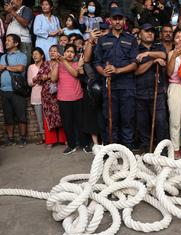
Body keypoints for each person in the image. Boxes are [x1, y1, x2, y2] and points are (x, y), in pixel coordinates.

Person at [94, 7, 139, 148]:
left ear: (124, 20)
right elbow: (97, 63)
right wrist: (103, 72)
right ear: (110, 21)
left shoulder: (131, 40)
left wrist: (118, 70)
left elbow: (134, 64)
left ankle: (127, 151)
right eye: (115, 19)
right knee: (111, 120)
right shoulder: (102, 40)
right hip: (109, 86)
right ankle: (112, 151)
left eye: (120, 19)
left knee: (126, 120)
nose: (118, 21)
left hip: (126, 86)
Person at [135, 23, 169, 153]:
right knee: (142, 123)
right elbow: (136, 72)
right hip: (140, 92)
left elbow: (164, 56)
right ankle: (148, 150)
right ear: (140, 34)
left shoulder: (158, 47)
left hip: (157, 92)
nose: (150, 33)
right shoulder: (136, 49)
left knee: (161, 121)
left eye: (152, 31)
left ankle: (162, 151)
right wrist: (152, 61)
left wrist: (148, 53)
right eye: (146, 31)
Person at [54, 44, 91, 155]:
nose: (69, 54)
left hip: (77, 98)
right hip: (63, 99)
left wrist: (63, 61)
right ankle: (71, 145)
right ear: (63, 52)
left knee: (81, 122)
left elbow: (75, 74)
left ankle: (85, 144)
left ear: (75, 54)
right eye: (67, 51)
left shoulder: (77, 64)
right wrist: (57, 63)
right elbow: (53, 78)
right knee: (68, 123)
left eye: (72, 52)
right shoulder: (58, 65)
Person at [35, 45, 67, 150]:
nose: (52, 53)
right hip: (47, 94)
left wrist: (47, 76)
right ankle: (50, 141)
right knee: (48, 116)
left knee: (62, 115)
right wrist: (50, 76)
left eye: (55, 51)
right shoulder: (44, 64)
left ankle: (64, 139)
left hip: (61, 92)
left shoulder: (63, 63)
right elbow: (38, 77)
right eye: (50, 51)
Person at [0, 34, 28, 148]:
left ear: (16, 43)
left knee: (21, 115)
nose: (6, 42)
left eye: (8, 40)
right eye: (5, 40)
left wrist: (5, 67)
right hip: (4, 90)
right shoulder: (3, 56)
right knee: (8, 116)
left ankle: (23, 138)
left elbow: (20, 68)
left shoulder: (22, 56)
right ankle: (10, 139)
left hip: (17, 90)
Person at [167, 29, 181, 159]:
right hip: (175, 86)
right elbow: (169, 73)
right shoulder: (170, 54)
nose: (180, 39)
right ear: (174, 40)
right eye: (177, 37)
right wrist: (174, 56)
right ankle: (175, 148)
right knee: (175, 119)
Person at [4, 0, 34, 65]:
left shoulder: (26, 9)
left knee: (22, 65)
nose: (12, 1)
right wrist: (7, 21)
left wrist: (12, 11)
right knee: (12, 65)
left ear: (20, 1)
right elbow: (8, 28)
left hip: (23, 41)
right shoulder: (13, 13)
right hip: (12, 43)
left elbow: (25, 23)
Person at [27, 47, 46, 145]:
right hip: (36, 95)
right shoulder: (31, 67)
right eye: (33, 54)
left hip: (47, 95)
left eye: (37, 53)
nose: (34, 56)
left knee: (49, 117)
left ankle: (51, 137)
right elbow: (29, 83)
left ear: (42, 55)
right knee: (39, 118)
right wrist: (34, 80)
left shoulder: (46, 65)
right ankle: (43, 137)